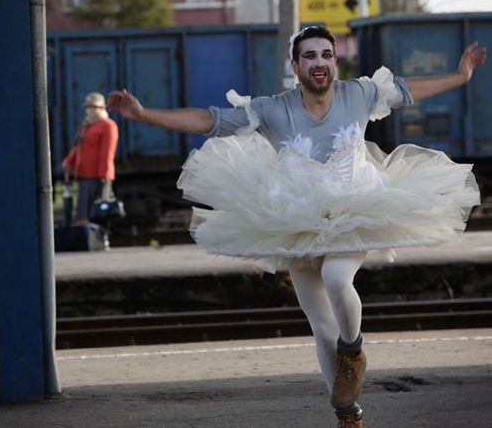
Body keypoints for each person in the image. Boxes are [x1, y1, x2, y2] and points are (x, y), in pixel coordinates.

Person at [109, 25, 486, 428]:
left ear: (334, 61)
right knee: (321, 327)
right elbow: (208, 120)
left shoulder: (358, 94)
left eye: (326, 54)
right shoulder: (273, 109)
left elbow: (410, 89)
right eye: (310, 56)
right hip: (296, 219)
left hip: (354, 209)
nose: (319, 62)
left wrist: (460, 76)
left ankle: (354, 351)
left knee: (338, 278)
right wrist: (144, 114)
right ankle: (348, 415)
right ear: (296, 65)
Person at [62, 92, 119, 226]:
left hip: (98, 176)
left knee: (98, 211)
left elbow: (107, 153)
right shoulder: (87, 125)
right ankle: (87, 239)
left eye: (93, 107)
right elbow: (78, 146)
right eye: (88, 107)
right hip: (84, 174)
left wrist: (104, 177)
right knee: (83, 212)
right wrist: (69, 161)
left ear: (102, 108)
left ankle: (100, 239)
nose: (89, 110)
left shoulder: (108, 125)